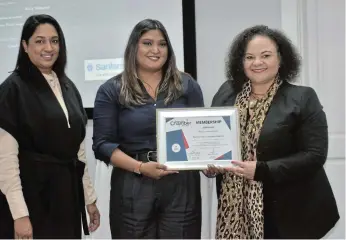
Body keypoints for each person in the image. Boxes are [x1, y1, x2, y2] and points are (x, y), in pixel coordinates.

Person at [207, 25, 339, 239]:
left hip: (289, 209)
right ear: (241, 62)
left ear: (281, 59)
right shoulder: (227, 92)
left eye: (265, 55)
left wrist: (262, 170)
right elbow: (213, 139)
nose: (257, 63)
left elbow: (314, 155)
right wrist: (208, 164)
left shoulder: (302, 97)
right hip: (235, 208)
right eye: (249, 57)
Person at [93, 19, 204, 239]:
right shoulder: (111, 89)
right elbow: (102, 145)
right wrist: (141, 167)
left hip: (181, 184)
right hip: (132, 182)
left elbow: (200, 133)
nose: (155, 50)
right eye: (147, 43)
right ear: (134, 47)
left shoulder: (187, 85)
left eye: (162, 44)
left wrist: (210, 161)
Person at [0, 14, 100, 239]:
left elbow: (78, 152)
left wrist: (89, 199)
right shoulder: (12, 90)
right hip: (31, 200)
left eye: (54, 41)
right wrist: (19, 215)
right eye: (39, 41)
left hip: (66, 199)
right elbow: (5, 161)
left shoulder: (67, 85)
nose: (49, 47)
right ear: (25, 46)